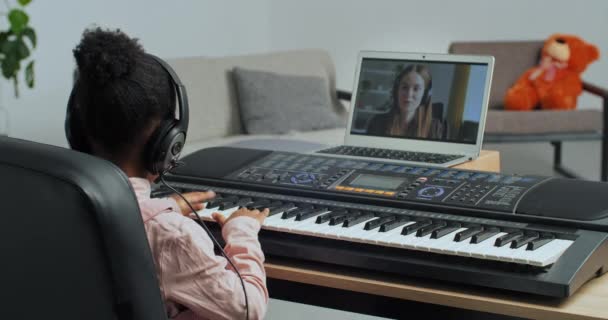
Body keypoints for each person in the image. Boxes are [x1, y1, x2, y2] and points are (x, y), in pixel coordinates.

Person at [68, 28, 268, 319]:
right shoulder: (171, 233)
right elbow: (247, 310)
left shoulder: (60, 201)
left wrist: (165, 206)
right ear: (167, 140)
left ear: (77, 132)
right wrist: (243, 232)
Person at [367, 64, 445, 139]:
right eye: (404, 87)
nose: (409, 94)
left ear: (425, 95)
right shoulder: (377, 123)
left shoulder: (434, 128)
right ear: (397, 91)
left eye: (416, 89)